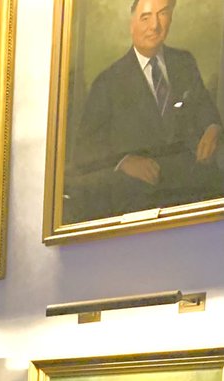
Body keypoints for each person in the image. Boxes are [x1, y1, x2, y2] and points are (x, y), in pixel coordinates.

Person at [68, 0, 224, 221]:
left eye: (162, 14)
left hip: (194, 192)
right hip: (139, 201)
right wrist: (122, 161)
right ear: (132, 24)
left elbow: (205, 109)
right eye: (145, 17)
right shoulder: (108, 82)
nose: (155, 26)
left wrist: (212, 128)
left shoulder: (184, 63)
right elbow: (84, 151)